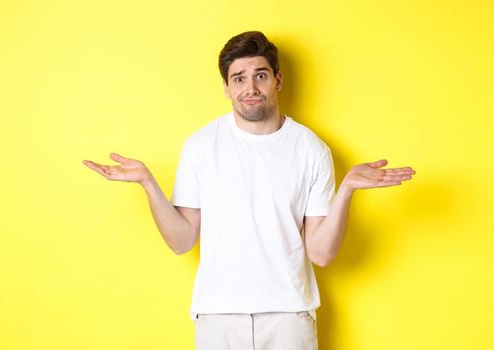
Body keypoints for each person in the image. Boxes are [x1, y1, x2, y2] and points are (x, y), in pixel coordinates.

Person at [82, 31, 415, 350]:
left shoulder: (311, 149)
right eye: (239, 78)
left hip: (289, 318)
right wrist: (148, 183)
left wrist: (347, 191)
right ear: (226, 87)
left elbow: (322, 253)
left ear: (278, 80)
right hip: (218, 317)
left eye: (260, 75)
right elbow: (182, 241)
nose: (250, 87)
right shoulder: (200, 146)